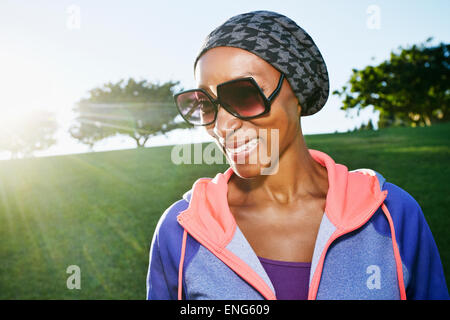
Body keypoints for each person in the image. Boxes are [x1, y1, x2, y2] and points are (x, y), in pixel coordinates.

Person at [146, 10, 449, 300]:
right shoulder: (180, 230)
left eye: (243, 94)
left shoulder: (393, 214)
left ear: (299, 94)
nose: (222, 125)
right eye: (206, 105)